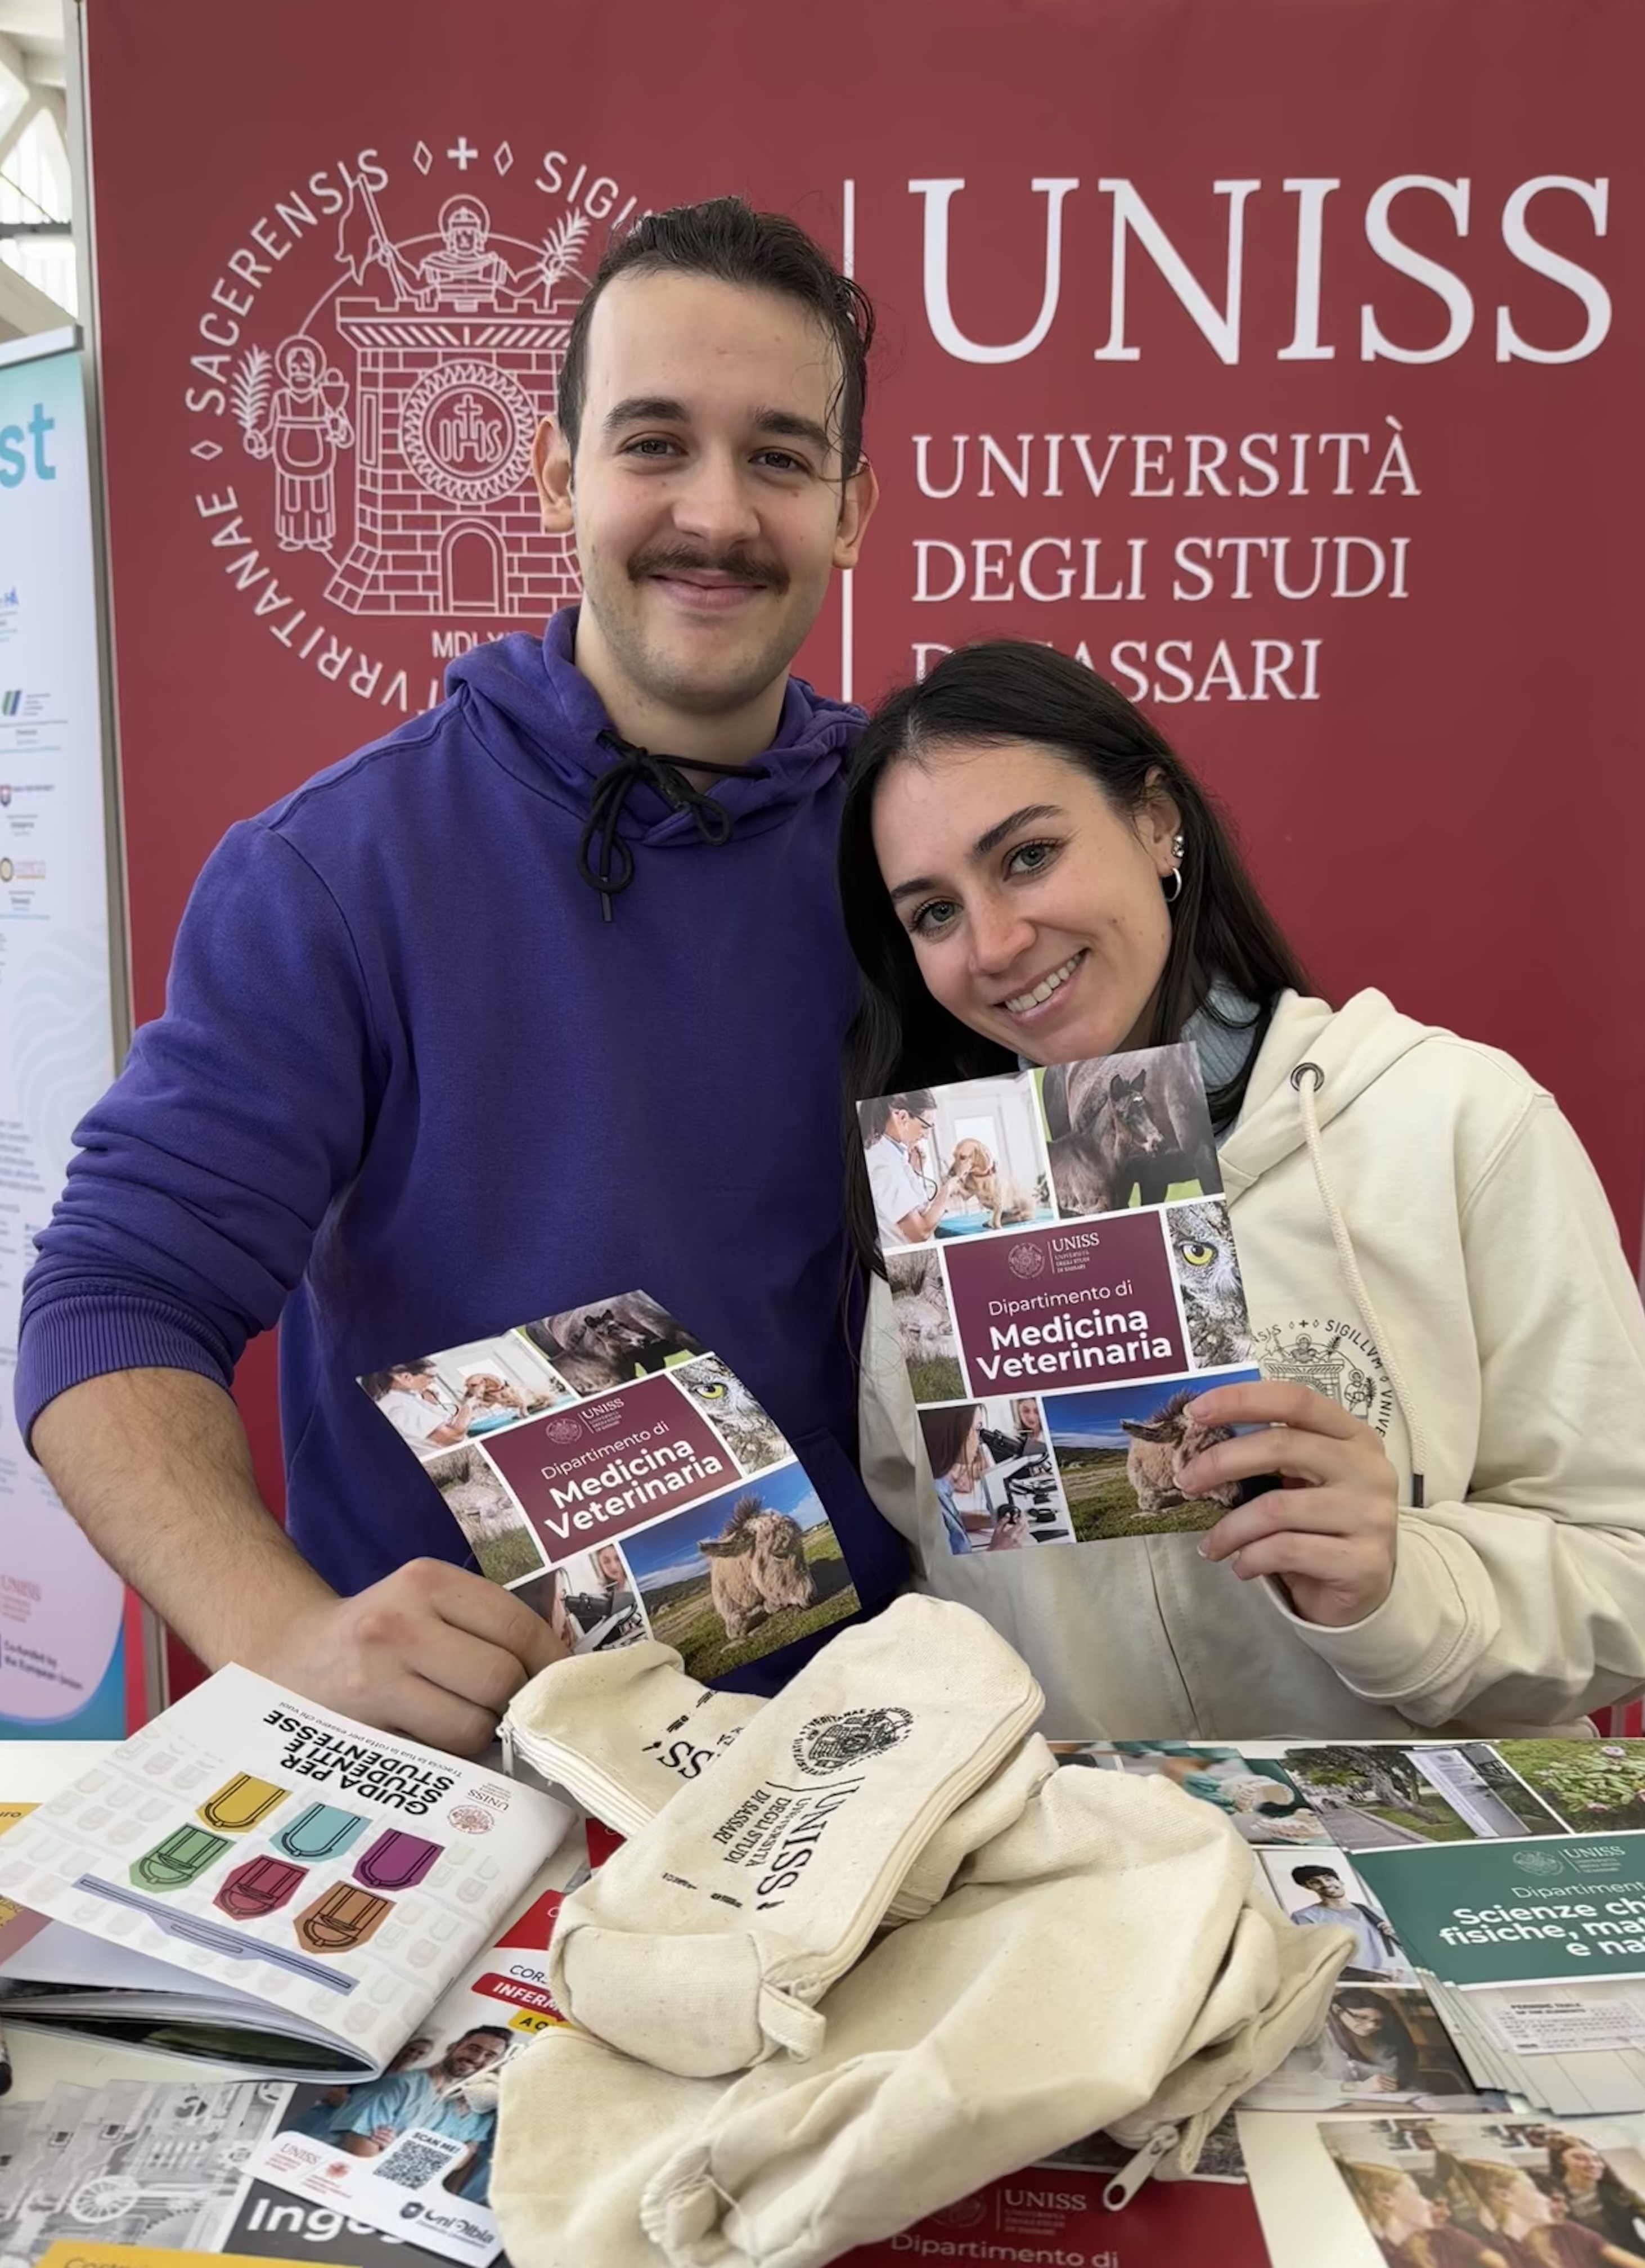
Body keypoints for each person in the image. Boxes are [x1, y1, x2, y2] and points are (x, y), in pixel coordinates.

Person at [19, 197, 901, 1752]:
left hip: (868, 1759)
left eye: (777, 455)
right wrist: (283, 1635)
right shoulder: (333, 873)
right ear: (557, 476)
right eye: (651, 444)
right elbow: (113, 1303)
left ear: (849, 511)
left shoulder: (931, 861)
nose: (714, 512)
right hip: (482, 1779)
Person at [845, 640, 1645, 1739]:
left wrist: (1401, 1588)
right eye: (932, 912)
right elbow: (944, 1597)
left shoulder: (1452, 1120)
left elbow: (1626, 1568)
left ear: (1157, 823)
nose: (993, 943)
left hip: (1414, 1888)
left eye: (1027, 856)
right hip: (1112, 1888)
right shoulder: (939, 1219)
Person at [328, 2026, 510, 2163]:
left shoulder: (447, 2102)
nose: (477, 2059)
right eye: (474, 2049)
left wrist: (396, 2150)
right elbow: (360, 2153)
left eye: (490, 2056)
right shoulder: (397, 2087)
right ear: (453, 2047)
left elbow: (458, 2159)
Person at [1457, 2159, 1645, 2268]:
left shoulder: (1568, 2231)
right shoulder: (1488, 2252)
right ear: (1504, 2195)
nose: (1546, 2200)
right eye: (1533, 2190)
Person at [918, 1404, 1024, 1554]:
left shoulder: (937, 1481)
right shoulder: (929, 1496)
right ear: (952, 1431)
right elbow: (950, 1576)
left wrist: (995, 1520)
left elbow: (951, 1520)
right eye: (977, 1429)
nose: (980, 1440)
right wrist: (998, 1551)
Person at [862, 1092, 960, 1246]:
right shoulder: (883, 1161)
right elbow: (920, 1232)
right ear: (902, 1118)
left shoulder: (893, 1153)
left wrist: (915, 1172)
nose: (927, 1136)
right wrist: (948, 1190)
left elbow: (919, 1210)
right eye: (925, 1127)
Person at [1287, 1865, 1405, 1980]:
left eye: (1328, 1879)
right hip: (1356, 1983)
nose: (1326, 1885)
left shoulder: (1376, 1912)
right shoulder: (1305, 1917)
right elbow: (1314, 1958)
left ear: (1340, 1881)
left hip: (1400, 1977)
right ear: (1307, 1887)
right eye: (1315, 1882)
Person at [1547, 2135, 1645, 2252]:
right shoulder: (1551, 2198)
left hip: (1632, 2256)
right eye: (1580, 2158)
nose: (1592, 2164)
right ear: (1561, 2161)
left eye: (1596, 2159)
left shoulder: (1620, 2193)